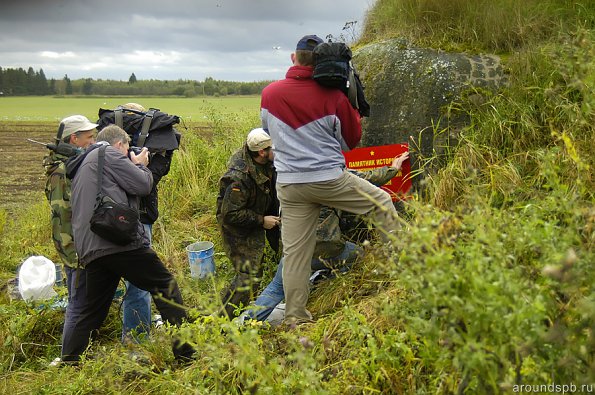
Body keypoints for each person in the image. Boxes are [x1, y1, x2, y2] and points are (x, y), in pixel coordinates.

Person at [260, 34, 401, 325]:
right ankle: (403, 267)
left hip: (289, 185)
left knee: (296, 255)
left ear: (293, 59)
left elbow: (269, 131)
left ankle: (296, 317)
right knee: (382, 203)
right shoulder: (334, 97)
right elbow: (351, 142)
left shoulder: (270, 94)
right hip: (328, 179)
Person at [61, 125, 194, 364]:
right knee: (166, 285)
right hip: (117, 240)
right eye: (126, 148)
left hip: (91, 247)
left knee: (89, 312)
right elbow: (143, 185)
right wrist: (140, 163)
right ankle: (187, 355)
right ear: (120, 144)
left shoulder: (83, 163)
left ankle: (69, 364)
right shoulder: (108, 153)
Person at [244, 154, 409, 323]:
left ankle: (246, 323)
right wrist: (393, 169)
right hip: (326, 248)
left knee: (276, 287)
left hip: (294, 251)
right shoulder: (329, 177)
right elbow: (367, 179)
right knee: (359, 255)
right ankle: (321, 285)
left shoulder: (291, 177)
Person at [216, 128, 280, 319]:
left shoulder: (265, 159)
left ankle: (247, 309)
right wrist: (262, 221)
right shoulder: (238, 177)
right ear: (261, 152)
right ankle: (224, 319)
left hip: (263, 210)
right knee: (249, 276)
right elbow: (230, 214)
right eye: (273, 147)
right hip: (239, 228)